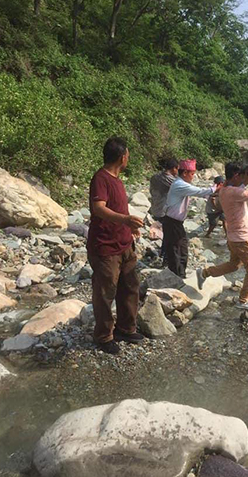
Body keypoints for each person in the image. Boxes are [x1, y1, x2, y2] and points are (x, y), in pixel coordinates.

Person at [86, 137, 145, 355]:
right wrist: (125, 220)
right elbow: (99, 208)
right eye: (128, 154)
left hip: (124, 243)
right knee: (105, 293)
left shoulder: (117, 180)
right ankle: (103, 336)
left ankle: (125, 328)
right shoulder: (101, 178)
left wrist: (130, 226)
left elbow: (118, 208)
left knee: (130, 287)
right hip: (105, 247)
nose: (128, 157)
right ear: (123, 157)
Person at [196, 163, 248, 313]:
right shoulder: (235, 192)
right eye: (240, 176)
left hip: (233, 238)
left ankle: (205, 273)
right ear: (236, 176)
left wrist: (247, 178)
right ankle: (243, 300)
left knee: (234, 265)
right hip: (242, 239)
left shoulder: (223, 191)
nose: (242, 179)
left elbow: (241, 185)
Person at [162, 159, 219, 278]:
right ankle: (177, 275)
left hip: (175, 222)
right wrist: (215, 187)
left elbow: (202, 192)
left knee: (181, 248)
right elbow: (200, 192)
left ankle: (180, 274)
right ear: (185, 173)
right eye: (192, 174)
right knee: (176, 250)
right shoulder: (179, 184)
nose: (193, 177)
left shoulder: (182, 184)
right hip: (172, 222)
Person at [149, 157, 178, 222]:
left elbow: (151, 192)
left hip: (155, 210)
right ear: (174, 168)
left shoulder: (154, 177)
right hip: (165, 214)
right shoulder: (171, 181)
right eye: (177, 169)